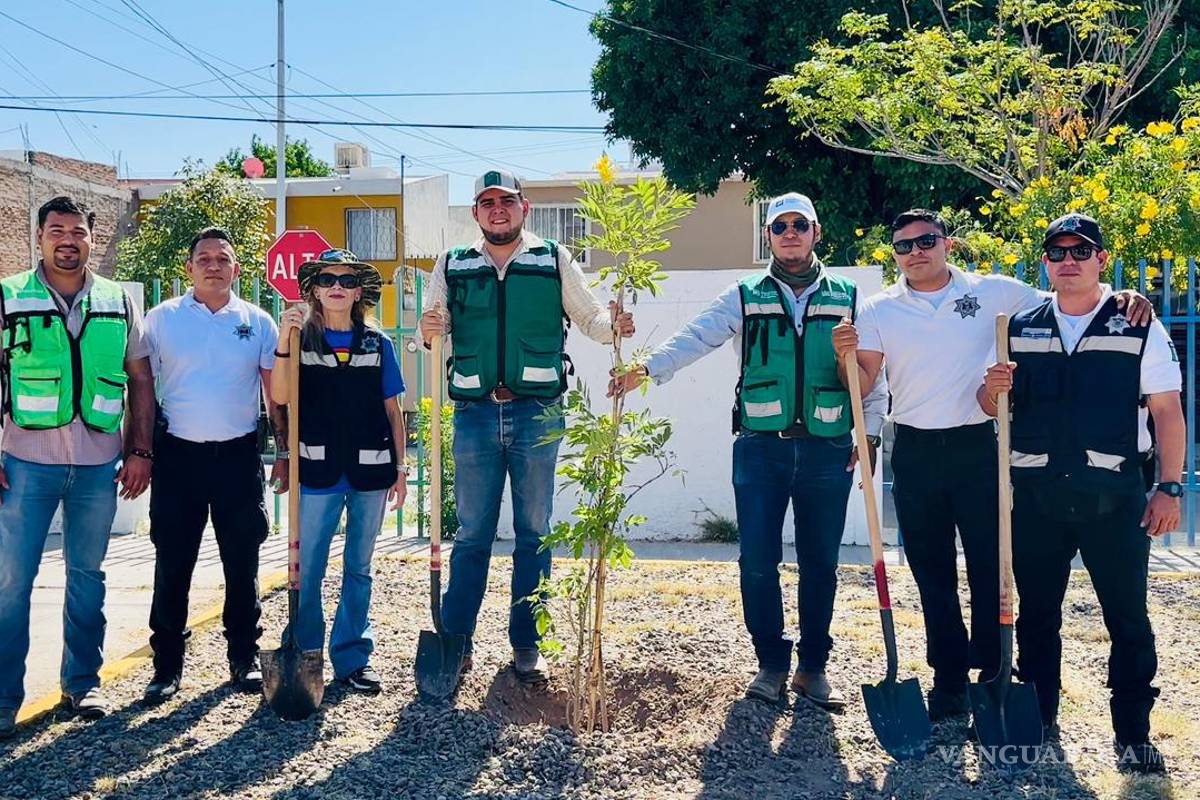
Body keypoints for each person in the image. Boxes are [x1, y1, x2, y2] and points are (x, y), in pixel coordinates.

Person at [833, 209, 1152, 721]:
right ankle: (949, 678)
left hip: (980, 447)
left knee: (990, 565)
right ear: (894, 254)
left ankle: (991, 673)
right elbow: (863, 384)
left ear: (948, 244)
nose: (916, 251)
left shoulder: (997, 292)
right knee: (931, 571)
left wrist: (1122, 297)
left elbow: (1068, 302)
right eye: (903, 245)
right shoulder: (877, 308)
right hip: (913, 448)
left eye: (926, 240)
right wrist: (842, 355)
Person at [612, 192, 887, 707]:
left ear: (816, 231)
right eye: (779, 226)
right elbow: (697, 337)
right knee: (757, 560)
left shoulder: (851, 298)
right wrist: (647, 368)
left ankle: (813, 667)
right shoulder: (744, 294)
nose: (789, 233)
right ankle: (770, 663)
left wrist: (868, 434)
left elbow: (876, 373)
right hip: (761, 448)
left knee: (820, 562)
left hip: (828, 449)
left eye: (798, 224)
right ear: (768, 235)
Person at [980, 213, 1182, 773]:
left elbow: (1167, 413)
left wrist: (1169, 487)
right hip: (1039, 499)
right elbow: (987, 404)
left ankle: (1133, 734)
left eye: (1080, 251)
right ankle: (1039, 717)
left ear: (1101, 259)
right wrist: (989, 389)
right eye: (1057, 252)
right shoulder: (1018, 326)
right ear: (1045, 262)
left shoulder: (1137, 324)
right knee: (1038, 616)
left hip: (1113, 499)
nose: (1067, 261)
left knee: (1128, 620)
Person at [418, 169, 634, 686]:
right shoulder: (452, 264)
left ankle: (526, 643)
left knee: (534, 532)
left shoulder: (554, 259)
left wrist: (614, 329)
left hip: (537, 413)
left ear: (525, 207)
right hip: (473, 415)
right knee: (471, 535)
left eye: (507, 201)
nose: (498, 209)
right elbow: (431, 335)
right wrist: (428, 333)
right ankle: (457, 640)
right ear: (475, 212)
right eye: (487, 202)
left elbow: (589, 320)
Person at [0, 196, 154, 735]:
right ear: (38, 237)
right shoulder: (8, 296)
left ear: (92, 237)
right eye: (56, 230)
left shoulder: (116, 299)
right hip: (24, 463)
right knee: (12, 581)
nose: (68, 239)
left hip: (97, 464)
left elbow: (140, 380)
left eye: (78, 231)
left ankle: (82, 684)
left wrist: (139, 450)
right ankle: (2, 700)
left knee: (88, 577)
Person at [142, 227, 285, 702]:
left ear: (236, 269)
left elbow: (274, 394)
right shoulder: (160, 320)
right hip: (178, 457)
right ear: (188, 268)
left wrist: (283, 450)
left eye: (222, 259)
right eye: (202, 258)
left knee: (242, 562)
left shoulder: (259, 321)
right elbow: (140, 389)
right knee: (173, 561)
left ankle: (243, 657)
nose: (212, 265)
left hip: (238, 456)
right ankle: (166, 666)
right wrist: (138, 450)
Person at [272, 248, 406, 695]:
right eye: (327, 279)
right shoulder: (300, 340)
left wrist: (401, 469)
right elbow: (280, 394)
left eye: (347, 281)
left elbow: (394, 411)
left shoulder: (377, 343)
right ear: (312, 289)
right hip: (317, 470)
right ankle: (305, 653)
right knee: (307, 568)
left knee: (359, 567)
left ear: (359, 292)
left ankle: (351, 658)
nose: (337, 287)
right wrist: (284, 341)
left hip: (371, 471)